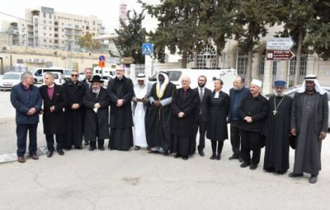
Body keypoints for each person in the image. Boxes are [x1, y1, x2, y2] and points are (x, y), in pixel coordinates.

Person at [290, 74, 328, 184]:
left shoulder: (322, 95)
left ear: (315, 84)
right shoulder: (298, 95)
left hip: (315, 128)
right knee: (300, 149)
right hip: (301, 127)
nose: (309, 84)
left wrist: (324, 129)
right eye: (307, 83)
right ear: (304, 84)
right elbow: (294, 111)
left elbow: (325, 113)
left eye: (311, 83)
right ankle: (298, 171)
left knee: (314, 150)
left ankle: (314, 173)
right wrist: (293, 126)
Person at [10, 72, 42, 163]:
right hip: (22, 118)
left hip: (34, 117)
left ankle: (33, 152)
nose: (33, 80)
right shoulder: (15, 89)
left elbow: (40, 101)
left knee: (33, 137)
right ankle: (20, 154)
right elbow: (15, 102)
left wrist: (35, 109)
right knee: (21, 137)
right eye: (31, 78)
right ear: (25, 79)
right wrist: (26, 110)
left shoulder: (36, 89)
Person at [238, 79, 268, 170]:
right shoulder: (246, 98)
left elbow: (264, 113)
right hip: (244, 126)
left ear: (258, 89)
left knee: (255, 146)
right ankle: (246, 160)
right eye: (251, 87)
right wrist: (244, 117)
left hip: (255, 128)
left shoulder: (263, 101)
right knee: (244, 145)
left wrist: (253, 118)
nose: (251, 88)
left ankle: (254, 162)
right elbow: (239, 109)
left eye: (253, 87)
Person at [264, 80, 293, 174]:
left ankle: (281, 168)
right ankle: (270, 166)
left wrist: (290, 128)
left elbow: (292, 115)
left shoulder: (289, 100)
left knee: (281, 148)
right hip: (271, 128)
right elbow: (267, 113)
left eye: (281, 88)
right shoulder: (271, 99)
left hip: (283, 129)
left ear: (284, 89)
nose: (279, 90)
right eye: (277, 88)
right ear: (275, 88)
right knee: (271, 147)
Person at [145, 72, 176, 154]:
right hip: (154, 110)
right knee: (154, 129)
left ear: (165, 77)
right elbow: (150, 96)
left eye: (162, 76)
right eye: (159, 76)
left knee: (165, 129)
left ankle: (165, 148)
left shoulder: (172, 86)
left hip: (166, 111)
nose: (160, 78)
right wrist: (153, 101)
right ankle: (154, 147)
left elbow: (173, 98)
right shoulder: (155, 85)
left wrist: (162, 103)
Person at [40, 72, 67, 157]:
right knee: (49, 133)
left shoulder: (60, 88)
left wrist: (56, 107)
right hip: (47, 114)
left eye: (47, 78)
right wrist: (39, 109)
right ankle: (50, 149)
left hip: (58, 114)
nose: (45, 80)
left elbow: (65, 101)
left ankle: (59, 148)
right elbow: (38, 100)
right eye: (45, 78)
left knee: (59, 133)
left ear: (52, 79)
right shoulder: (42, 89)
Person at [171, 76, 199, 160]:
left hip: (188, 117)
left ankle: (185, 153)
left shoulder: (194, 92)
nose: (184, 82)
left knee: (186, 136)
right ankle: (178, 152)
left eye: (186, 81)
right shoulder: (176, 91)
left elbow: (193, 105)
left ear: (189, 82)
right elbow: (173, 103)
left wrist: (184, 112)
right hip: (177, 116)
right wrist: (178, 112)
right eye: (182, 81)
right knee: (178, 135)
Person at [107, 65, 134, 151]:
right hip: (115, 107)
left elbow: (130, 93)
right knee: (115, 125)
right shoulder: (111, 82)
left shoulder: (129, 81)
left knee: (125, 126)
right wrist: (116, 100)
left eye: (120, 70)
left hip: (125, 107)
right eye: (117, 70)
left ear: (123, 72)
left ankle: (125, 145)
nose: (118, 72)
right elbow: (109, 93)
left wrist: (122, 101)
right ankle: (115, 145)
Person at [83, 75, 110, 151]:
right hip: (91, 113)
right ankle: (92, 145)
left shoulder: (105, 91)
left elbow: (108, 101)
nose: (94, 86)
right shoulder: (88, 91)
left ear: (100, 84)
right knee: (92, 129)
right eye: (93, 84)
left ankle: (101, 145)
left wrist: (100, 104)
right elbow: (85, 101)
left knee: (101, 129)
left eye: (96, 84)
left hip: (102, 113)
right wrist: (93, 105)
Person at [206, 79, 230, 160]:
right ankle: (213, 153)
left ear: (221, 85)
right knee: (212, 136)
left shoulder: (225, 95)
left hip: (221, 118)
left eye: (217, 83)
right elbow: (208, 106)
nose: (215, 84)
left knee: (220, 137)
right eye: (215, 83)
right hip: (212, 117)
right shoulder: (210, 95)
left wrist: (224, 116)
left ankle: (219, 154)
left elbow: (227, 107)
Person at [228, 76, 250, 161]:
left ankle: (242, 154)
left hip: (242, 120)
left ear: (242, 83)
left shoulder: (247, 91)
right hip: (233, 119)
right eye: (234, 82)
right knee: (234, 138)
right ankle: (235, 153)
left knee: (243, 138)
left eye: (237, 82)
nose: (234, 84)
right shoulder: (231, 90)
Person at [63, 70, 86, 150]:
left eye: (76, 75)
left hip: (79, 110)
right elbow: (64, 97)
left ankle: (77, 144)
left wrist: (79, 104)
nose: (74, 77)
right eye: (72, 75)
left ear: (78, 76)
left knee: (78, 127)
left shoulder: (82, 85)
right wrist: (70, 105)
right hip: (69, 109)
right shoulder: (65, 85)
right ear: (70, 76)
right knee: (68, 127)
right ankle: (68, 144)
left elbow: (85, 97)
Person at [192, 75, 211, 157]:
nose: (201, 82)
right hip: (194, 117)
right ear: (197, 81)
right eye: (200, 80)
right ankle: (192, 149)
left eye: (203, 80)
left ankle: (201, 149)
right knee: (193, 134)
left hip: (204, 117)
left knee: (202, 134)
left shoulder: (209, 92)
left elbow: (210, 105)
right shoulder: (193, 91)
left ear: (205, 82)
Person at [132, 73, 152, 150]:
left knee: (145, 126)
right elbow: (130, 96)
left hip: (145, 109)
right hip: (137, 109)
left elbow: (152, 97)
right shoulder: (134, 86)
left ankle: (147, 143)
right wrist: (134, 99)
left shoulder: (150, 86)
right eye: (139, 81)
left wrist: (146, 100)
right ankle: (137, 144)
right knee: (137, 127)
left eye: (142, 81)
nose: (140, 82)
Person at [81, 67, 93, 146]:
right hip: (84, 106)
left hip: (93, 106)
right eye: (87, 73)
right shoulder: (81, 83)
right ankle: (86, 138)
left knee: (92, 123)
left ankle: (92, 138)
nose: (88, 74)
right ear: (85, 73)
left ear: (92, 74)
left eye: (90, 73)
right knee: (84, 123)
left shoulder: (96, 82)